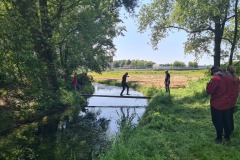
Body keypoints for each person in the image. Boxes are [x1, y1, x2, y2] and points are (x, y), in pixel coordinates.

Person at [206, 66, 232, 144]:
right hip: (227, 103)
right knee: (226, 120)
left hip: (217, 104)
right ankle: (227, 137)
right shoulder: (229, 77)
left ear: (214, 71)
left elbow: (209, 91)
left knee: (217, 121)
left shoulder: (215, 79)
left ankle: (219, 138)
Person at [226, 65, 240, 133]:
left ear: (228, 71)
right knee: (230, 114)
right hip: (234, 98)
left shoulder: (227, 77)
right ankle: (231, 128)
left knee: (227, 115)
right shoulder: (237, 77)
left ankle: (228, 129)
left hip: (228, 99)